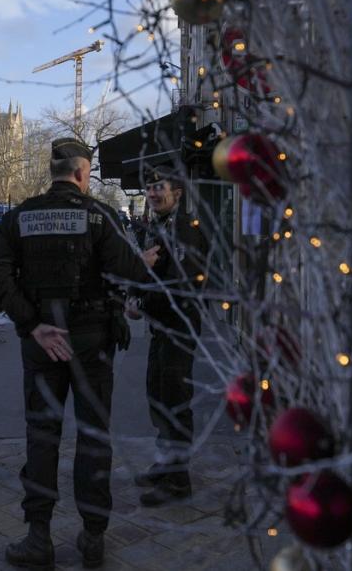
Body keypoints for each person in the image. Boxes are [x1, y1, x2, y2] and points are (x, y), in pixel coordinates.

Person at [0, 137, 159, 569]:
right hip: (91, 342)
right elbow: (130, 270)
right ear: (83, 173)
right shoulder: (99, 217)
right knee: (94, 438)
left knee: (42, 438)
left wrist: (33, 324)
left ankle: (38, 537)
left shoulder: (19, 217)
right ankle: (92, 536)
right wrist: (148, 259)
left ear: (53, 171)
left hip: (43, 342)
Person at [129, 167, 209, 506]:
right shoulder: (158, 226)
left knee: (175, 402)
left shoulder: (185, 230)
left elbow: (181, 285)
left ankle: (178, 480)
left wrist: (142, 301)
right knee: (159, 396)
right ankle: (166, 465)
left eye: (159, 187)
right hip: (162, 327)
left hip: (178, 327)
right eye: (149, 188)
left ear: (177, 192)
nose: (153, 193)